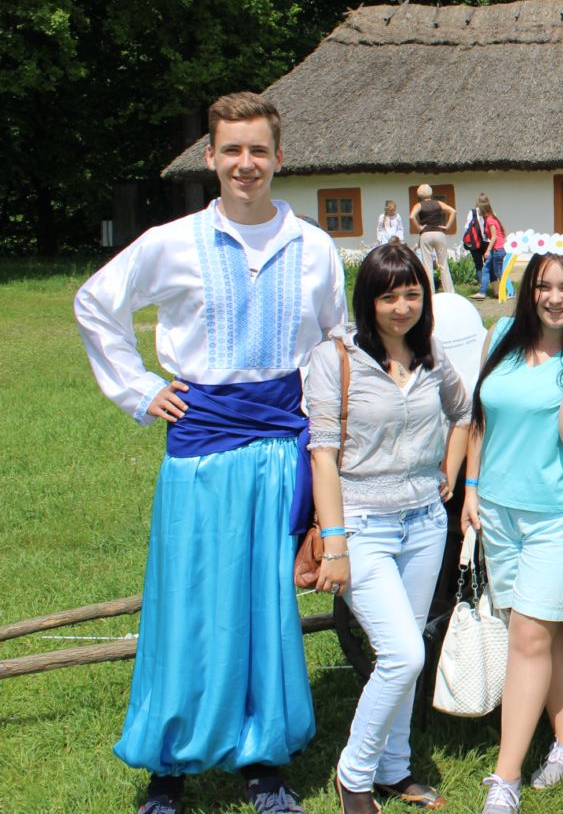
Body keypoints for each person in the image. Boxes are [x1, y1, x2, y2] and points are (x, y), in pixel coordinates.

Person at [74, 92, 347, 814]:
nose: (245, 163)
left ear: (279, 157)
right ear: (211, 157)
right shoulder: (172, 242)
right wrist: (140, 389)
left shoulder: (313, 247)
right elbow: (95, 302)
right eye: (232, 150)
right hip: (199, 448)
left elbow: (335, 345)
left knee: (263, 604)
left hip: (281, 448)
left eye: (258, 150)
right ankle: (170, 762)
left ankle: (263, 760)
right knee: (187, 600)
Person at [305, 243, 471, 814]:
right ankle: (353, 775)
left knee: (409, 648)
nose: (403, 307)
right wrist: (334, 544)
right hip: (361, 526)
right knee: (403, 654)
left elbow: (463, 412)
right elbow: (323, 456)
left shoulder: (431, 353)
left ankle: (393, 768)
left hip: (424, 523)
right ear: (368, 301)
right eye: (389, 296)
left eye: (413, 294)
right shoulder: (336, 358)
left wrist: (449, 473)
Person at [460, 234, 563, 814]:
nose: (554, 298)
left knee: (527, 635)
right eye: (543, 286)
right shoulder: (499, 335)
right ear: (527, 290)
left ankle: (505, 779)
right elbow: (481, 417)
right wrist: (472, 487)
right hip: (500, 509)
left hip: (562, 514)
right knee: (546, 631)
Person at [410, 184, 456, 294]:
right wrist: (448, 227)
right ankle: (449, 292)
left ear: (419, 194)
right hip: (439, 233)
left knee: (428, 266)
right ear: (431, 193)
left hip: (426, 234)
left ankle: (430, 294)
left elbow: (412, 217)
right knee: (443, 265)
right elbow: (453, 211)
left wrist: (419, 228)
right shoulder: (438, 203)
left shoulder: (419, 205)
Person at [465, 194, 507, 301]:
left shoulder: (489, 219)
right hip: (493, 247)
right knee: (487, 269)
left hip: (494, 248)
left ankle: (505, 291)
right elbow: (501, 234)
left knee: (497, 272)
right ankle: (484, 292)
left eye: (479, 208)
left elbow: (494, 236)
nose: (478, 210)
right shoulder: (493, 216)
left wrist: (488, 250)